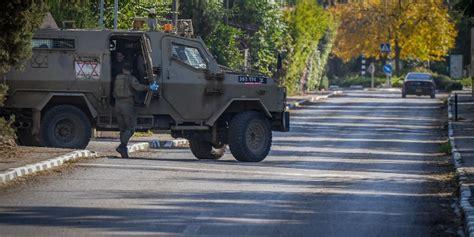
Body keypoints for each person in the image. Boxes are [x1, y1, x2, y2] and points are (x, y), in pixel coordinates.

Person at [113, 63, 158, 158]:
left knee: (123, 129)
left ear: (123, 69)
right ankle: (122, 146)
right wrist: (149, 87)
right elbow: (138, 87)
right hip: (127, 104)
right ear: (131, 70)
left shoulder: (117, 77)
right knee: (130, 128)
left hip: (117, 104)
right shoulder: (131, 78)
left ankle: (123, 151)